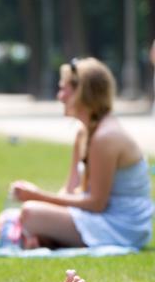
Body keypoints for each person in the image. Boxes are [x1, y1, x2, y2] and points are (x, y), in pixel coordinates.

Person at [11, 57, 153, 249]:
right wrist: (41, 200)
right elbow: (70, 189)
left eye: (63, 89)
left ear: (82, 93)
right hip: (96, 217)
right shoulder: (84, 132)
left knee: (29, 213)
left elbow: (96, 203)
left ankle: (46, 239)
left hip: (121, 226)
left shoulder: (105, 137)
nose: (59, 96)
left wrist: (38, 196)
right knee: (13, 216)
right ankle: (46, 239)